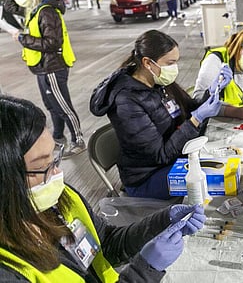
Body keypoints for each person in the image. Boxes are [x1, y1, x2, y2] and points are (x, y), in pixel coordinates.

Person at [0, 95, 206, 282]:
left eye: (54, 159)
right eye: (40, 167)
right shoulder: (8, 271)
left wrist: (162, 221)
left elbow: (104, 244)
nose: (56, 175)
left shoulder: (58, 199)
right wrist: (145, 271)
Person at [90, 30, 232, 199]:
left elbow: (190, 109)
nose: (174, 68)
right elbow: (160, 155)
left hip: (175, 160)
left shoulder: (159, 82)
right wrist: (197, 119)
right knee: (221, 181)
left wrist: (213, 90)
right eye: (170, 63)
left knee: (228, 165)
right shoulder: (126, 100)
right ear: (148, 63)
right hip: (147, 177)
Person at [5, 0, 86, 158]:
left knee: (63, 106)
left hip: (53, 66)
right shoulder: (31, 8)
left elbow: (52, 43)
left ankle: (78, 140)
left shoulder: (46, 11)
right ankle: (58, 137)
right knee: (51, 105)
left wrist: (23, 38)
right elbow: (9, 8)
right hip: (42, 66)